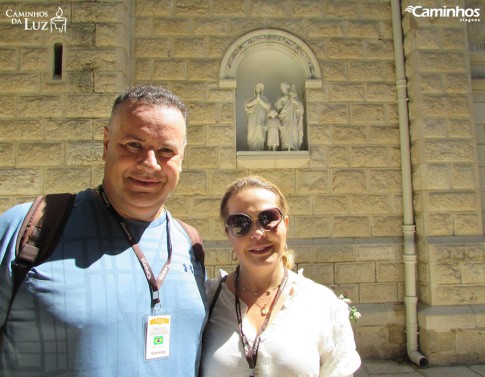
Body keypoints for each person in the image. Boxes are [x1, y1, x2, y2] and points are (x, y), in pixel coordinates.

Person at [0, 85, 207, 377]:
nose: (150, 164)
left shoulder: (189, 245)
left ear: (182, 158)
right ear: (106, 143)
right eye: (133, 145)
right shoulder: (27, 229)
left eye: (166, 151)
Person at [200, 176, 361, 377]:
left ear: (285, 223)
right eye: (240, 223)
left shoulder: (321, 304)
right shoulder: (206, 303)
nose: (258, 233)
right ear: (228, 233)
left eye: (268, 218)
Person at [245, 82, 271, 151]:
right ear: (255, 88)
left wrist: (260, 100)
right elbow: (247, 105)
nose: (258, 89)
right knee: (251, 133)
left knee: (260, 132)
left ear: (262, 90)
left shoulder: (264, 98)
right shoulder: (251, 97)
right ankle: (251, 148)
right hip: (252, 118)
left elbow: (268, 106)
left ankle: (259, 149)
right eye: (257, 87)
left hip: (261, 118)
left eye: (260, 88)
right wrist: (257, 99)